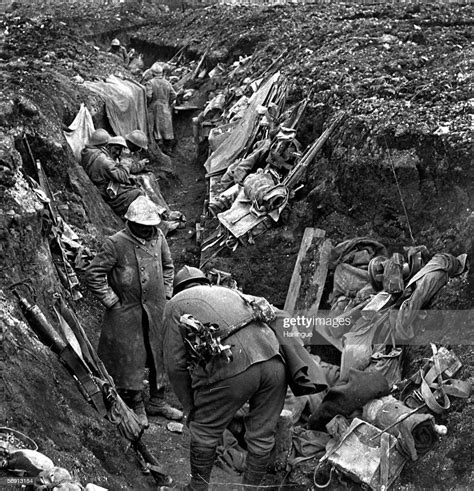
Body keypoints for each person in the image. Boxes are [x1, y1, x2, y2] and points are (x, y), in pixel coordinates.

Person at [163, 266, 288, 490]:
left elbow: (175, 365)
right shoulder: (230, 292)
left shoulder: (175, 304)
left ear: (177, 289)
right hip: (275, 362)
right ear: (205, 281)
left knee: (205, 430)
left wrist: (189, 406)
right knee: (261, 435)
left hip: (234, 364)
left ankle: (197, 489)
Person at [85, 196, 183, 427]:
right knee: (131, 358)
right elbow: (93, 274)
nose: (146, 230)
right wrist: (111, 300)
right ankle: (136, 401)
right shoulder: (115, 243)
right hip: (126, 311)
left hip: (157, 308)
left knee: (158, 353)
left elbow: (168, 266)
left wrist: (166, 294)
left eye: (150, 226)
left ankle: (157, 401)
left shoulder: (159, 238)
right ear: (130, 222)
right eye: (141, 226)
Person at [81, 133, 144, 217]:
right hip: (106, 194)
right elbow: (122, 177)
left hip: (102, 187)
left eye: (119, 150)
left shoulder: (90, 152)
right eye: (116, 149)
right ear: (107, 146)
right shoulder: (104, 160)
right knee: (139, 194)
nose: (117, 153)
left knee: (132, 183)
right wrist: (125, 159)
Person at [145, 64, 177, 155]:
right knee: (166, 128)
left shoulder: (150, 83)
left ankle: (156, 149)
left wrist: (148, 104)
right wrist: (168, 103)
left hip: (154, 108)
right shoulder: (167, 83)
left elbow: (148, 95)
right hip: (165, 107)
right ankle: (168, 149)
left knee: (155, 128)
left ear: (152, 73)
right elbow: (174, 95)